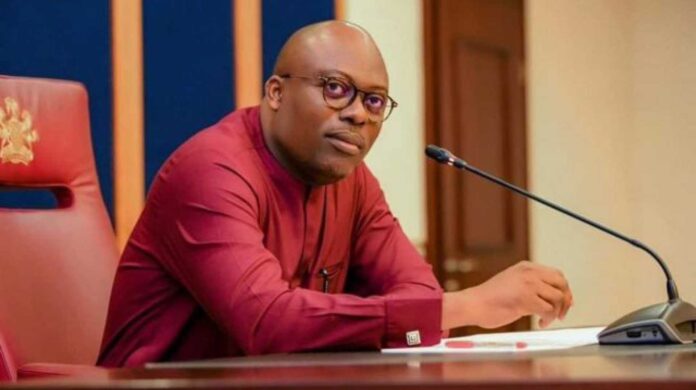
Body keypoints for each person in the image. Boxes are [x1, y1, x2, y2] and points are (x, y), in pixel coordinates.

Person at [98, 20, 573, 367]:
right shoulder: (212, 170)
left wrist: (430, 311)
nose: (357, 115)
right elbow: (269, 321)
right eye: (334, 89)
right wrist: (472, 304)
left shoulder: (354, 183)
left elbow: (416, 292)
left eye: (373, 101)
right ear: (276, 93)